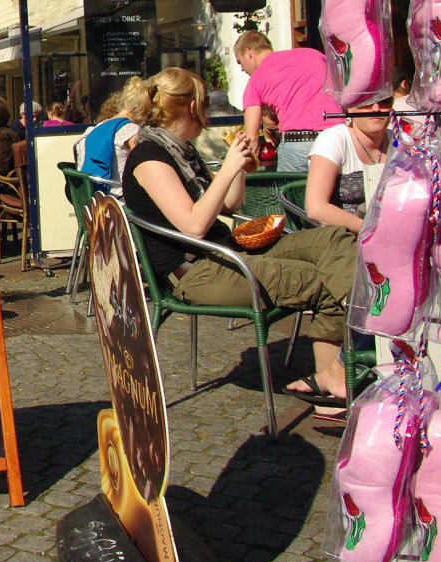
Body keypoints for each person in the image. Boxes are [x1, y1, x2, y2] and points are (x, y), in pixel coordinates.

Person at [119, 68, 359, 405]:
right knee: (320, 282)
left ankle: (357, 323)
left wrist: (241, 165)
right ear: (193, 108)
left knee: (333, 239)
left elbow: (229, 205)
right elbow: (193, 226)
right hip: (197, 273)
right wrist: (228, 167)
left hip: (228, 251)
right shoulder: (149, 157)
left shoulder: (182, 151)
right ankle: (336, 370)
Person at [234, 30, 341, 174]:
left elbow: (251, 138)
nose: (242, 69)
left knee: (292, 195)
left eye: (240, 62)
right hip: (336, 139)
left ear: (248, 53)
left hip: (298, 145)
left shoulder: (255, 81)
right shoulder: (314, 54)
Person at [305, 98, 392, 232]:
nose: (376, 109)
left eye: (384, 101)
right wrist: (373, 231)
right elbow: (316, 208)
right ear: (350, 108)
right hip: (344, 239)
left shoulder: (400, 141)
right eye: (367, 103)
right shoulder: (333, 139)